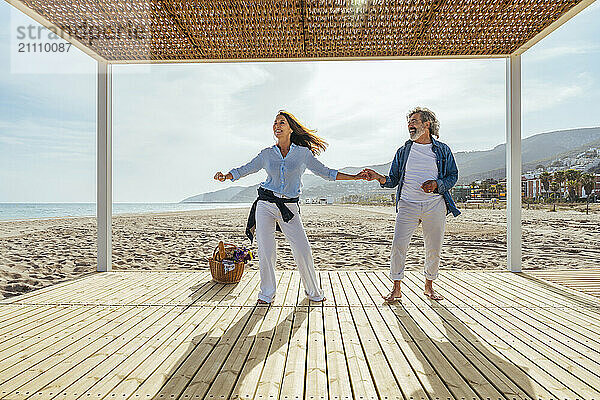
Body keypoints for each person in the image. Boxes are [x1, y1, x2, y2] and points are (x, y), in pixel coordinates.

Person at [214, 110, 367, 305]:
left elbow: (326, 173)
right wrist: (227, 176)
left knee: (302, 249)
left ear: (291, 128)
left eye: (282, 122)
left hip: (289, 207)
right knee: (266, 250)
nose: (277, 125)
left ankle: (313, 292)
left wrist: (355, 177)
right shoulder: (267, 154)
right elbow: (246, 169)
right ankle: (267, 293)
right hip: (265, 204)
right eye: (275, 123)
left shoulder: (303, 154)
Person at [362, 107, 460, 302]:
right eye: (409, 122)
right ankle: (396, 288)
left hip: (435, 205)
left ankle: (429, 287)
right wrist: (378, 177)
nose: (410, 125)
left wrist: (436, 185)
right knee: (398, 245)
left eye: (414, 121)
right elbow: (392, 180)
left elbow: (453, 176)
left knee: (433, 247)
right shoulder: (404, 151)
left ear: (427, 124)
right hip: (407, 204)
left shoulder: (442, 150)